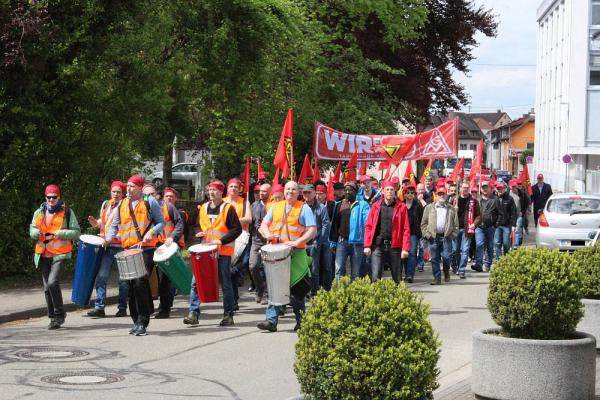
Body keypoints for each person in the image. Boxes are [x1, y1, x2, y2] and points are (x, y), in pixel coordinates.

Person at [104, 175, 165, 336]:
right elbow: (115, 225)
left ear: (140, 188)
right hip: (128, 248)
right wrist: (108, 239)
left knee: (139, 281)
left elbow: (161, 222)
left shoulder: (149, 202)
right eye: (128, 186)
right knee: (129, 284)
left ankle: (143, 321)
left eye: (132, 186)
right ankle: (135, 319)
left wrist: (151, 232)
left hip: (145, 248)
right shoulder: (122, 204)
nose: (129, 189)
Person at [257, 181, 316, 332]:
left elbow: (312, 230)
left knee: (297, 288)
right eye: (288, 189)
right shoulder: (276, 206)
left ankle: (301, 320)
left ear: (299, 192)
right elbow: (263, 225)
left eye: (294, 189)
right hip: (277, 251)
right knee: (275, 285)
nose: (290, 191)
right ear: (284, 191)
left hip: (296, 253)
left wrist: (298, 242)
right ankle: (271, 321)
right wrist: (268, 234)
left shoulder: (304, 208)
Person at [185, 180, 242, 326]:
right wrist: (199, 232)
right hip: (205, 250)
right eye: (209, 190)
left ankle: (228, 315)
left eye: (214, 190)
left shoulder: (228, 208)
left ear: (221, 192)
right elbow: (196, 224)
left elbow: (237, 229)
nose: (211, 193)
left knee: (225, 283)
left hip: (222, 251)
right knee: (195, 282)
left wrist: (221, 241)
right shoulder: (203, 207)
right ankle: (193, 313)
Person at [30, 184, 81, 329]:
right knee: (47, 288)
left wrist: (61, 233)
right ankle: (53, 318)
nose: (51, 200)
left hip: (60, 254)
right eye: (49, 197)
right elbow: (32, 228)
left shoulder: (67, 212)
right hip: (43, 253)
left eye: (54, 197)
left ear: (59, 197)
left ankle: (59, 314)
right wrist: (35, 233)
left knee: (52, 282)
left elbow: (76, 232)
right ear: (45, 197)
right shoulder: (39, 212)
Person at [87, 181, 129, 318]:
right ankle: (99, 308)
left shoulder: (126, 206)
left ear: (123, 194)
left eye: (119, 192)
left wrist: (113, 237)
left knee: (123, 279)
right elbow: (105, 222)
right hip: (107, 246)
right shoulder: (106, 204)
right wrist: (96, 223)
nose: (116, 194)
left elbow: (128, 227)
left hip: (121, 246)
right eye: (114, 191)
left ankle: (122, 308)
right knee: (102, 277)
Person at [363, 181, 411, 283]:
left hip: (395, 247)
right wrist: (367, 245)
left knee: (397, 278)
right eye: (387, 190)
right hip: (378, 246)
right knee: (375, 277)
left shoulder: (401, 207)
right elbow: (369, 226)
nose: (390, 192)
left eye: (392, 190)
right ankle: (376, 298)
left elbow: (406, 229)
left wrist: (405, 248)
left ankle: (398, 298)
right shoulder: (376, 206)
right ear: (383, 192)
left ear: (395, 191)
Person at [153, 186, 185, 319]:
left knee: (165, 278)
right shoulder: (145, 208)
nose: (169, 198)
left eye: (171, 196)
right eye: (167, 196)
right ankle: (156, 306)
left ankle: (165, 308)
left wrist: (172, 238)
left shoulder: (169, 208)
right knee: (155, 279)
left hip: (167, 246)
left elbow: (180, 224)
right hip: (152, 246)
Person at [330, 182, 370, 281]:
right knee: (339, 269)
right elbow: (335, 224)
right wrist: (333, 242)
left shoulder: (363, 205)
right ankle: (340, 293)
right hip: (342, 241)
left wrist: (367, 243)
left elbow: (367, 223)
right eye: (346, 190)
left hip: (357, 243)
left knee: (356, 272)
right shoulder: (339, 204)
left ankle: (354, 295)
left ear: (356, 191)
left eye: (350, 190)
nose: (347, 192)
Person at [421, 183, 458, 285]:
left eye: (443, 194)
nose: (441, 196)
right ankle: (437, 278)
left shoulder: (451, 208)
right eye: (439, 194)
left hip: (447, 237)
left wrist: (452, 235)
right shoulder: (429, 207)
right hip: (433, 237)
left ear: (446, 195)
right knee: (435, 259)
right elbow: (423, 224)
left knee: (447, 257)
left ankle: (446, 271)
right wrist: (427, 234)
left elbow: (456, 225)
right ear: (436, 195)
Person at [225, 178, 252, 310]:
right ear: (227, 188)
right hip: (226, 238)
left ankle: (233, 300)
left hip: (241, 238)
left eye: (236, 187)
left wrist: (231, 222)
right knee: (229, 272)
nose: (234, 189)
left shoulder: (244, 202)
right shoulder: (223, 202)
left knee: (237, 268)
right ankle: (232, 301)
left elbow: (249, 219)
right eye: (231, 186)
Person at [303, 184, 331, 296]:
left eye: (309, 192)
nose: (307, 195)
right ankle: (310, 291)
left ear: (314, 193)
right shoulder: (301, 207)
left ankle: (325, 290)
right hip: (304, 242)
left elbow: (325, 225)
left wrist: (318, 241)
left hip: (320, 241)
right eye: (304, 192)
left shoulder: (321, 207)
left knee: (324, 267)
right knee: (308, 268)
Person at [249, 183, 271, 304]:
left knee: (269, 268)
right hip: (256, 241)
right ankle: (260, 288)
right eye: (259, 191)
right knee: (253, 266)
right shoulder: (253, 205)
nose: (261, 194)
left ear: (270, 192)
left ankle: (268, 293)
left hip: (270, 242)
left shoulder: (274, 205)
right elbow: (253, 223)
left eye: (264, 191)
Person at [453, 182, 481, 279]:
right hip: (455, 229)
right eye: (463, 188)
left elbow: (478, 216)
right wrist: (454, 210)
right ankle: (456, 266)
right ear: (460, 188)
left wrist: (474, 224)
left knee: (464, 250)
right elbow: (448, 214)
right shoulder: (454, 200)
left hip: (467, 229)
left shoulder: (473, 201)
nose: (465, 189)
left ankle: (462, 270)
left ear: (469, 189)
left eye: (466, 188)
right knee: (456, 250)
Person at [474, 181, 499, 272]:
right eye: (483, 187)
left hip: (490, 227)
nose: (485, 189)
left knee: (490, 246)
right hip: (479, 227)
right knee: (479, 245)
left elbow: (500, 214)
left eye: (486, 187)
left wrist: (495, 225)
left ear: (490, 189)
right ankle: (479, 264)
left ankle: (488, 263)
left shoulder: (495, 200)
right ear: (481, 189)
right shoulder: (477, 199)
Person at [402, 183, 423, 282]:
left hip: (413, 233)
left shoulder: (417, 205)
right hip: (402, 233)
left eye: (412, 193)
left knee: (412, 253)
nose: (410, 194)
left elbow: (422, 219)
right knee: (404, 254)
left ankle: (410, 274)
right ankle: (406, 273)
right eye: (408, 192)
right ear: (404, 194)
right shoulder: (400, 205)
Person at [494, 181, 517, 260]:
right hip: (497, 225)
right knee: (497, 243)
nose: (500, 190)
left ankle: (506, 258)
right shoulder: (494, 198)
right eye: (498, 189)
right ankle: (499, 260)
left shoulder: (509, 199)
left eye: (501, 188)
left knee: (506, 243)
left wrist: (513, 225)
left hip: (507, 225)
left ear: (504, 189)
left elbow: (514, 212)